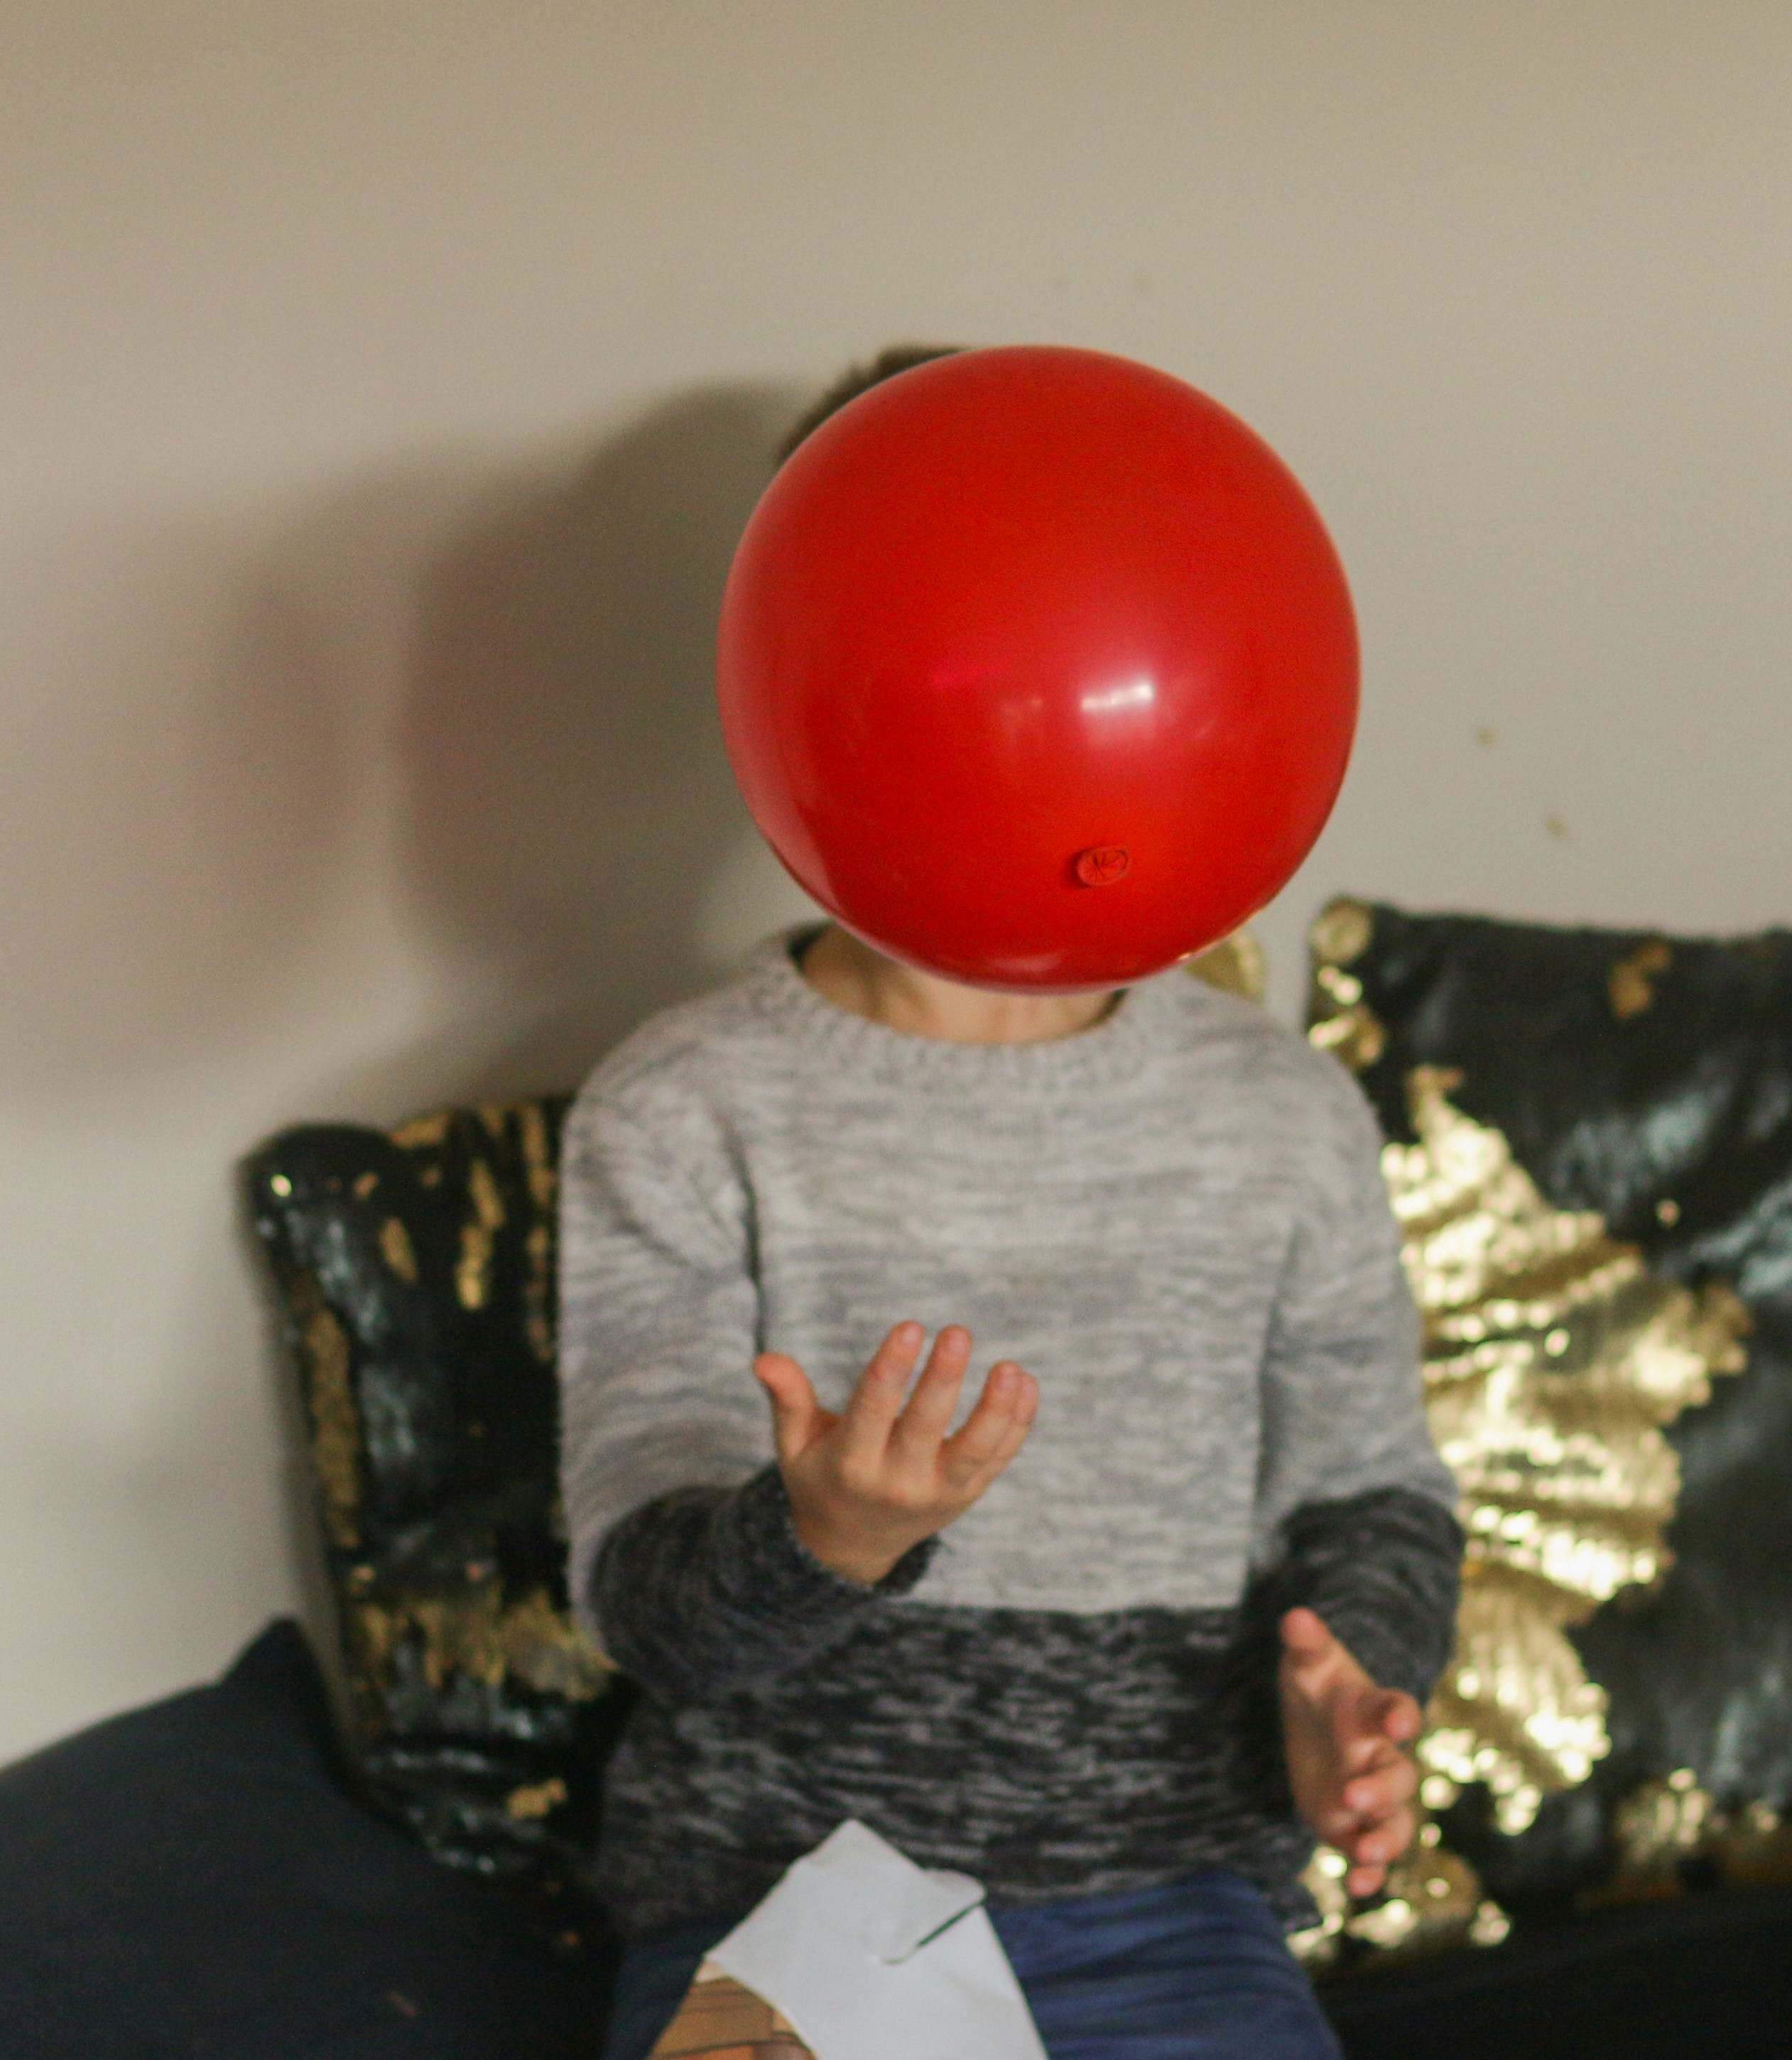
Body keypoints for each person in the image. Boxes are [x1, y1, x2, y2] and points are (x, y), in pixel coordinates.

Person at [560, 353, 1463, 2060]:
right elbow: (649, 1617)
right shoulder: (680, 1110)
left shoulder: (1279, 1111)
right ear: (808, 675)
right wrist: (821, 1539)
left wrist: (1342, 1675)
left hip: (1171, 1905)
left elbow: (1371, 1484)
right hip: (774, 1901)